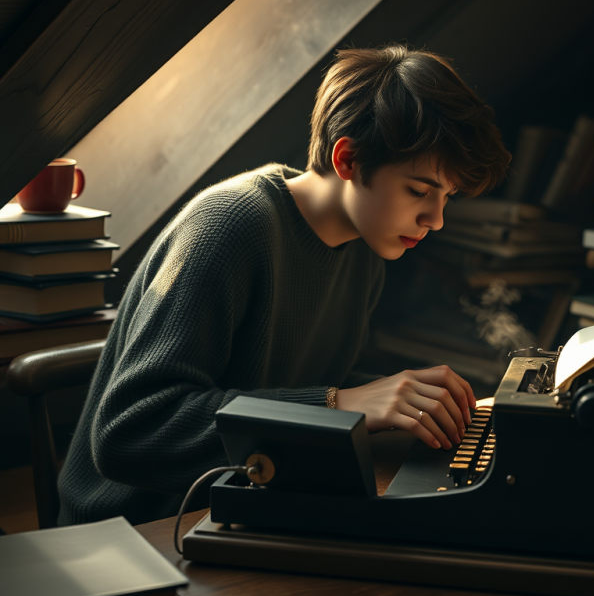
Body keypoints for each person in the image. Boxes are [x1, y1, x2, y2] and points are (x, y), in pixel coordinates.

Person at [57, 43, 511, 525]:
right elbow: (131, 433)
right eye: (419, 191)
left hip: (245, 501)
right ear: (349, 160)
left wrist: (405, 402)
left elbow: (280, 385)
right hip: (140, 524)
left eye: (448, 198)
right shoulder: (229, 226)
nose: (435, 219)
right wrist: (340, 404)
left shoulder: (367, 252)